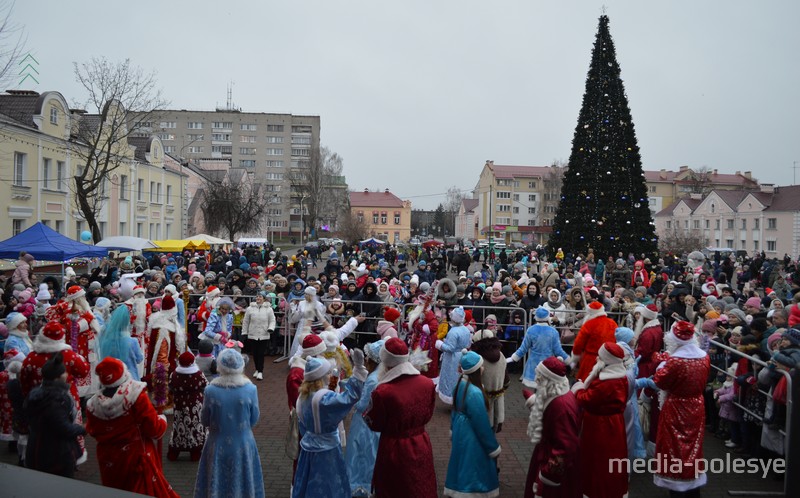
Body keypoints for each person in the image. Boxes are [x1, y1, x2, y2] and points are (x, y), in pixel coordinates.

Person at [85, 357, 178, 497]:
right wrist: (162, 420)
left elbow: (92, 430)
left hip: (108, 457)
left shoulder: (92, 404)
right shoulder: (135, 395)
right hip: (135, 455)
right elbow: (154, 428)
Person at [365, 337, 438, 498]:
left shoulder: (383, 392)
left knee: (396, 486)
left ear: (386, 361)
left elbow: (374, 422)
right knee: (420, 483)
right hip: (421, 443)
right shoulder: (427, 383)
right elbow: (429, 412)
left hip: (394, 447)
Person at [292, 353, 367, 498]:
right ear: (320, 377)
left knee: (307, 482)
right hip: (327, 450)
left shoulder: (302, 397)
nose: (329, 375)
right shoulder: (324, 398)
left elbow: (304, 425)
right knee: (329, 485)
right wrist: (358, 370)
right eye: (327, 373)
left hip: (308, 448)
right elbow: (348, 398)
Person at [194, 348, 263, 498]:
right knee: (245, 482)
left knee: (216, 483)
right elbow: (254, 419)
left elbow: (204, 420)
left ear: (219, 365)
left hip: (217, 444)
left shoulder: (210, 390)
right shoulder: (250, 389)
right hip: (243, 444)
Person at [653, 321, 710, 497]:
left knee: (673, 447)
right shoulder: (704, 356)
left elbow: (660, 381)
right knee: (693, 446)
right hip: (696, 405)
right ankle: (693, 486)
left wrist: (661, 364)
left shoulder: (675, 361)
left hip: (676, 406)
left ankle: (676, 486)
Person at [571, 341, 629, 498]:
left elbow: (587, 399)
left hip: (600, 426)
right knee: (614, 458)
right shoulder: (620, 376)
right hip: (615, 424)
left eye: (600, 356)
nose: (597, 358)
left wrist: (578, 390)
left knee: (598, 460)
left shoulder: (606, 382)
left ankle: (597, 491)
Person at [444, 350, 501, 497]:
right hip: (471, 435)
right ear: (475, 370)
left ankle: (458, 487)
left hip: (460, 431)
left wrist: (452, 428)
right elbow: (481, 423)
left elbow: (454, 411)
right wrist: (492, 446)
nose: (483, 369)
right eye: (481, 366)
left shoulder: (459, 386)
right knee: (472, 463)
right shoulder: (475, 392)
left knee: (460, 461)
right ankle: (470, 490)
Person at [523, 356, 581, 498]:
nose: (536, 380)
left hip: (553, 465)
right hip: (546, 452)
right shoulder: (556, 393)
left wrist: (548, 474)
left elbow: (565, 446)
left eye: (540, 377)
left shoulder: (561, 406)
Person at [23, 352, 86, 478]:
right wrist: (83, 429)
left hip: (37, 448)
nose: (67, 374)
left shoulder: (36, 394)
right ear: (58, 377)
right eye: (64, 372)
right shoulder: (56, 399)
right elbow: (62, 427)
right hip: (56, 454)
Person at [346, 339, 385, 497]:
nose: (366, 359)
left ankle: (360, 487)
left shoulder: (373, 379)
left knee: (361, 456)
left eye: (368, 356)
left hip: (364, 424)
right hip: (377, 423)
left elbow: (363, 405)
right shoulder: (383, 375)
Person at [508, 307, 569, 388]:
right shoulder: (553, 331)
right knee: (546, 389)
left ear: (536, 317)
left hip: (533, 364)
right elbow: (558, 351)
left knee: (535, 389)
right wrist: (569, 360)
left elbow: (523, 348)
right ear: (547, 317)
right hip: (548, 364)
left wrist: (513, 358)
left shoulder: (531, 330)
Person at [167, 351, 207, 461]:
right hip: (195, 405)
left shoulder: (174, 375)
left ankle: (174, 452)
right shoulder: (198, 374)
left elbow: (170, 387)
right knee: (195, 426)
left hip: (180, 405)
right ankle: (195, 451)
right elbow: (205, 385)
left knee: (179, 426)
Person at [471, 329, 509, 432]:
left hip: (482, 396)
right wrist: (504, 385)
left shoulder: (477, 358)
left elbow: (473, 378)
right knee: (495, 420)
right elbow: (506, 377)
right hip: (498, 393)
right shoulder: (501, 355)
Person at [571, 301, 618, 381]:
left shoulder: (588, 324)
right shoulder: (612, 323)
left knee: (586, 382)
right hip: (609, 359)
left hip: (590, 360)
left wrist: (574, 360)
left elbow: (578, 344)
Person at [435, 306, 472, 404]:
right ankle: (460, 398)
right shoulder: (466, 329)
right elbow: (468, 343)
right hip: (462, 355)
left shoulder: (453, 331)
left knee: (451, 378)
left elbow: (450, 348)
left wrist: (440, 344)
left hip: (452, 358)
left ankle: (452, 397)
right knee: (460, 377)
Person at [97, 304, 144, 381]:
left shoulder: (106, 341)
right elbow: (139, 359)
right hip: (130, 380)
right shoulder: (132, 342)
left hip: (112, 379)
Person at [242, 291, 276, 380]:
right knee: (255, 354)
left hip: (264, 334)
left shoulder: (269, 309)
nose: (258, 298)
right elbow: (246, 321)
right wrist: (244, 332)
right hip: (252, 334)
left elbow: (272, 320)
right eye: (257, 296)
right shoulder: (250, 308)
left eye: (260, 296)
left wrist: (271, 328)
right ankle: (257, 369)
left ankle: (260, 371)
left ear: (264, 299)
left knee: (261, 353)